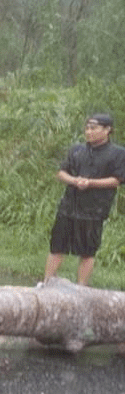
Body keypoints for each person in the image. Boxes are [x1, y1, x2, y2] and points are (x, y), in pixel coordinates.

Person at [41, 113, 125, 286]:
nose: (89, 132)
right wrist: (74, 180)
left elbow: (116, 180)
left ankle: (81, 288)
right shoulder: (77, 150)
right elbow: (61, 172)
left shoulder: (118, 153)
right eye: (87, 128)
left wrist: (90, 183)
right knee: (57, 246)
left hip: (95, 210)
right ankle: (47, 282)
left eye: (93, 128)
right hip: (69, 205)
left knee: (87, 251)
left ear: (107, 130)